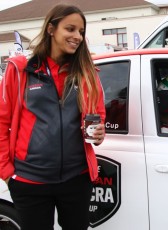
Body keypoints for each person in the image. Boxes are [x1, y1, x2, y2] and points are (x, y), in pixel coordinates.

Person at [0, 4, 106, 230]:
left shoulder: (86, 72)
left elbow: (98, 113)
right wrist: (7, 172)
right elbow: (2, 122)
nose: (77, 36)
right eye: (70, 29)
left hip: (77, 178)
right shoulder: (21, 69)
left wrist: (99, 133)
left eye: (81, 31)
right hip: (30, 180)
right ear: (51, 29)